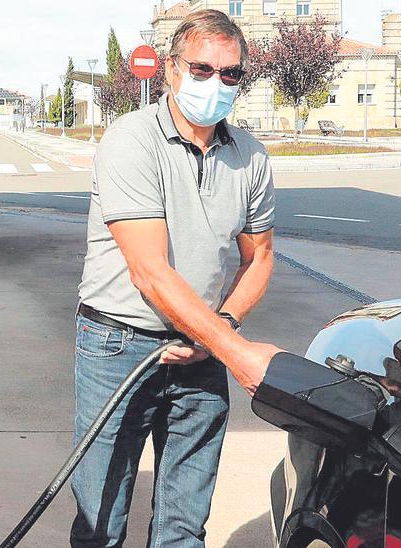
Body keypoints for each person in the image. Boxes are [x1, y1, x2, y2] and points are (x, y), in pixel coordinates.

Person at [71, 9, 284, 547]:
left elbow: (258, 257)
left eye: (230, 73)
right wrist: (235, 351)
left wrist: (220, 331)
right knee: (101, 519)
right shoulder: (132, 141)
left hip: (203, 353)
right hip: (120, 345)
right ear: (171, 69)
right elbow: (150, 272)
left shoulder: (251, 156)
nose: (216, 82)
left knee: (185, 526)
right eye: (202, 69)